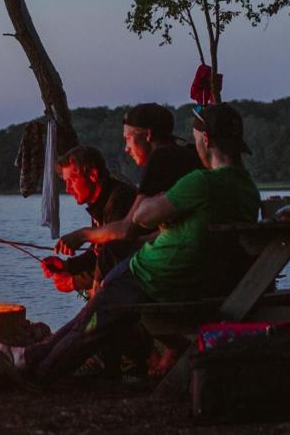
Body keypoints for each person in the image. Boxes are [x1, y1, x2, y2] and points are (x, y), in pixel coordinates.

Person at [24, 103, 261, 383]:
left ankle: (37, 374)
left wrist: (156, 202)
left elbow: (139, 218)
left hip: (152, 276)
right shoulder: (248, 189)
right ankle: (29, 358)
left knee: (91, 322)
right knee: (93, 312)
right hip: (199, 282)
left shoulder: (201, 183)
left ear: (206, 140)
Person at [53, 103, 201, 260]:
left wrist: (81, 235)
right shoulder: (186, 155)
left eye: (128, 139)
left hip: (185, 254)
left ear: (148, 135)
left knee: (114, 251)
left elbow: (126, 229)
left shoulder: (160, 157)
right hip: (192, 242)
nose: (126, 148)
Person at [39, 146, 137, 295]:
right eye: (66, 182)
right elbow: (97, 253)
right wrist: (67, 266)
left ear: (93, 175)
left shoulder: (119, 199)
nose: (67, 188)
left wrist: (73, 282)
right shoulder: (98, 203)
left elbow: (115, 257)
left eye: (71, 180)